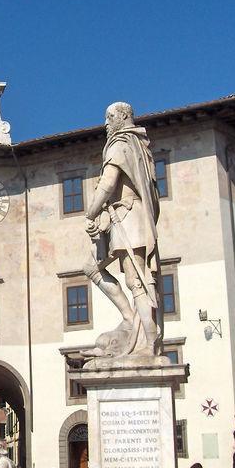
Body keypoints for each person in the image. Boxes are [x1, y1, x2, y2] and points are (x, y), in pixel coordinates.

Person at [82, 102, 161, 359]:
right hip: (121, 217)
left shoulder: (121, 144)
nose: (106, 123)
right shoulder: (138, 146)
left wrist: (91, 213)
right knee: (92, 266)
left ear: (124, 116)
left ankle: (149, 344)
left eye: (109, 117)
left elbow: (107, 184)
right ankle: (129, 319)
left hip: (130, 218)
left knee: (136, 282)